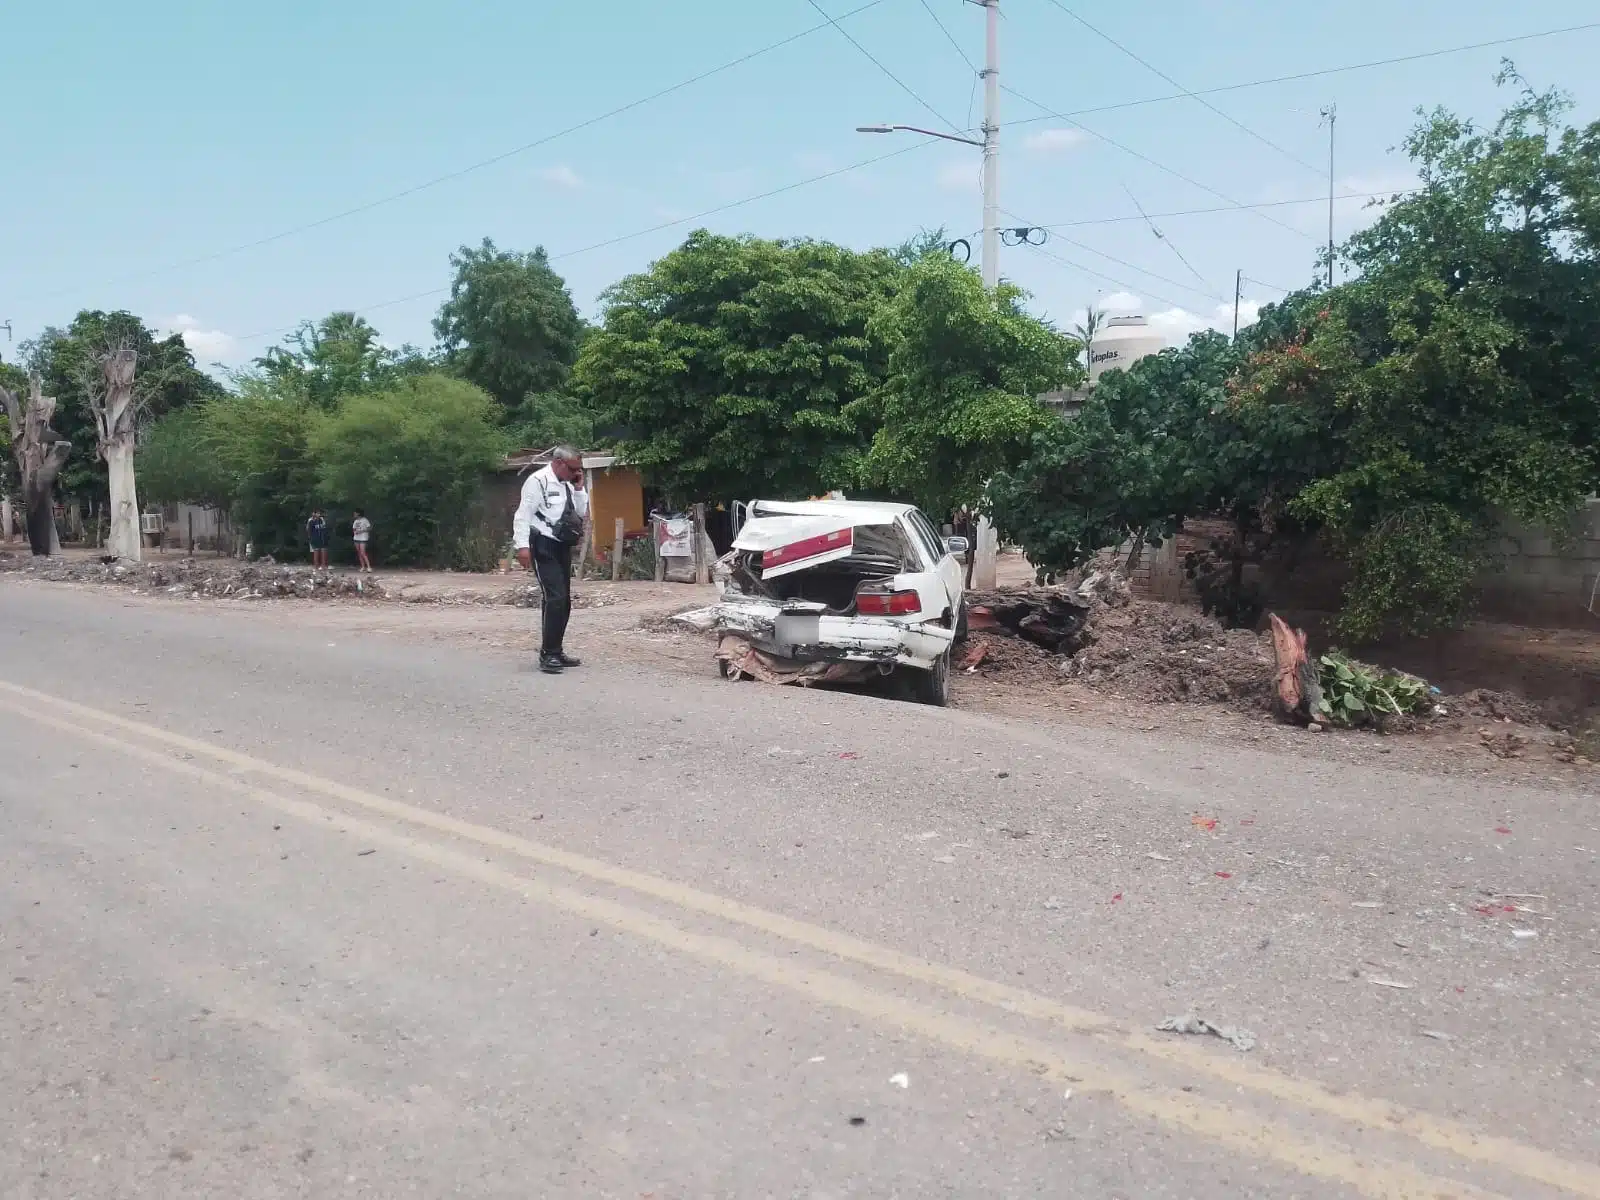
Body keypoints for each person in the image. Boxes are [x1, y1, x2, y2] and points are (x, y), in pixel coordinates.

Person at [513, 446, 589, 674]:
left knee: (564, 600)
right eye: (573, 468)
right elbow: (523, 514)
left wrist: (578, 488)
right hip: (542, 544)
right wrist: (522, 546)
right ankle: (548, 654)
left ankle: (556, 650)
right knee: (554, 596)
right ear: (558, 462)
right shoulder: (538, 481)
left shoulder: (568, 483)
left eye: (579, 469)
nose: (576, 472)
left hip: (561, 545)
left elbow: (580, 512)